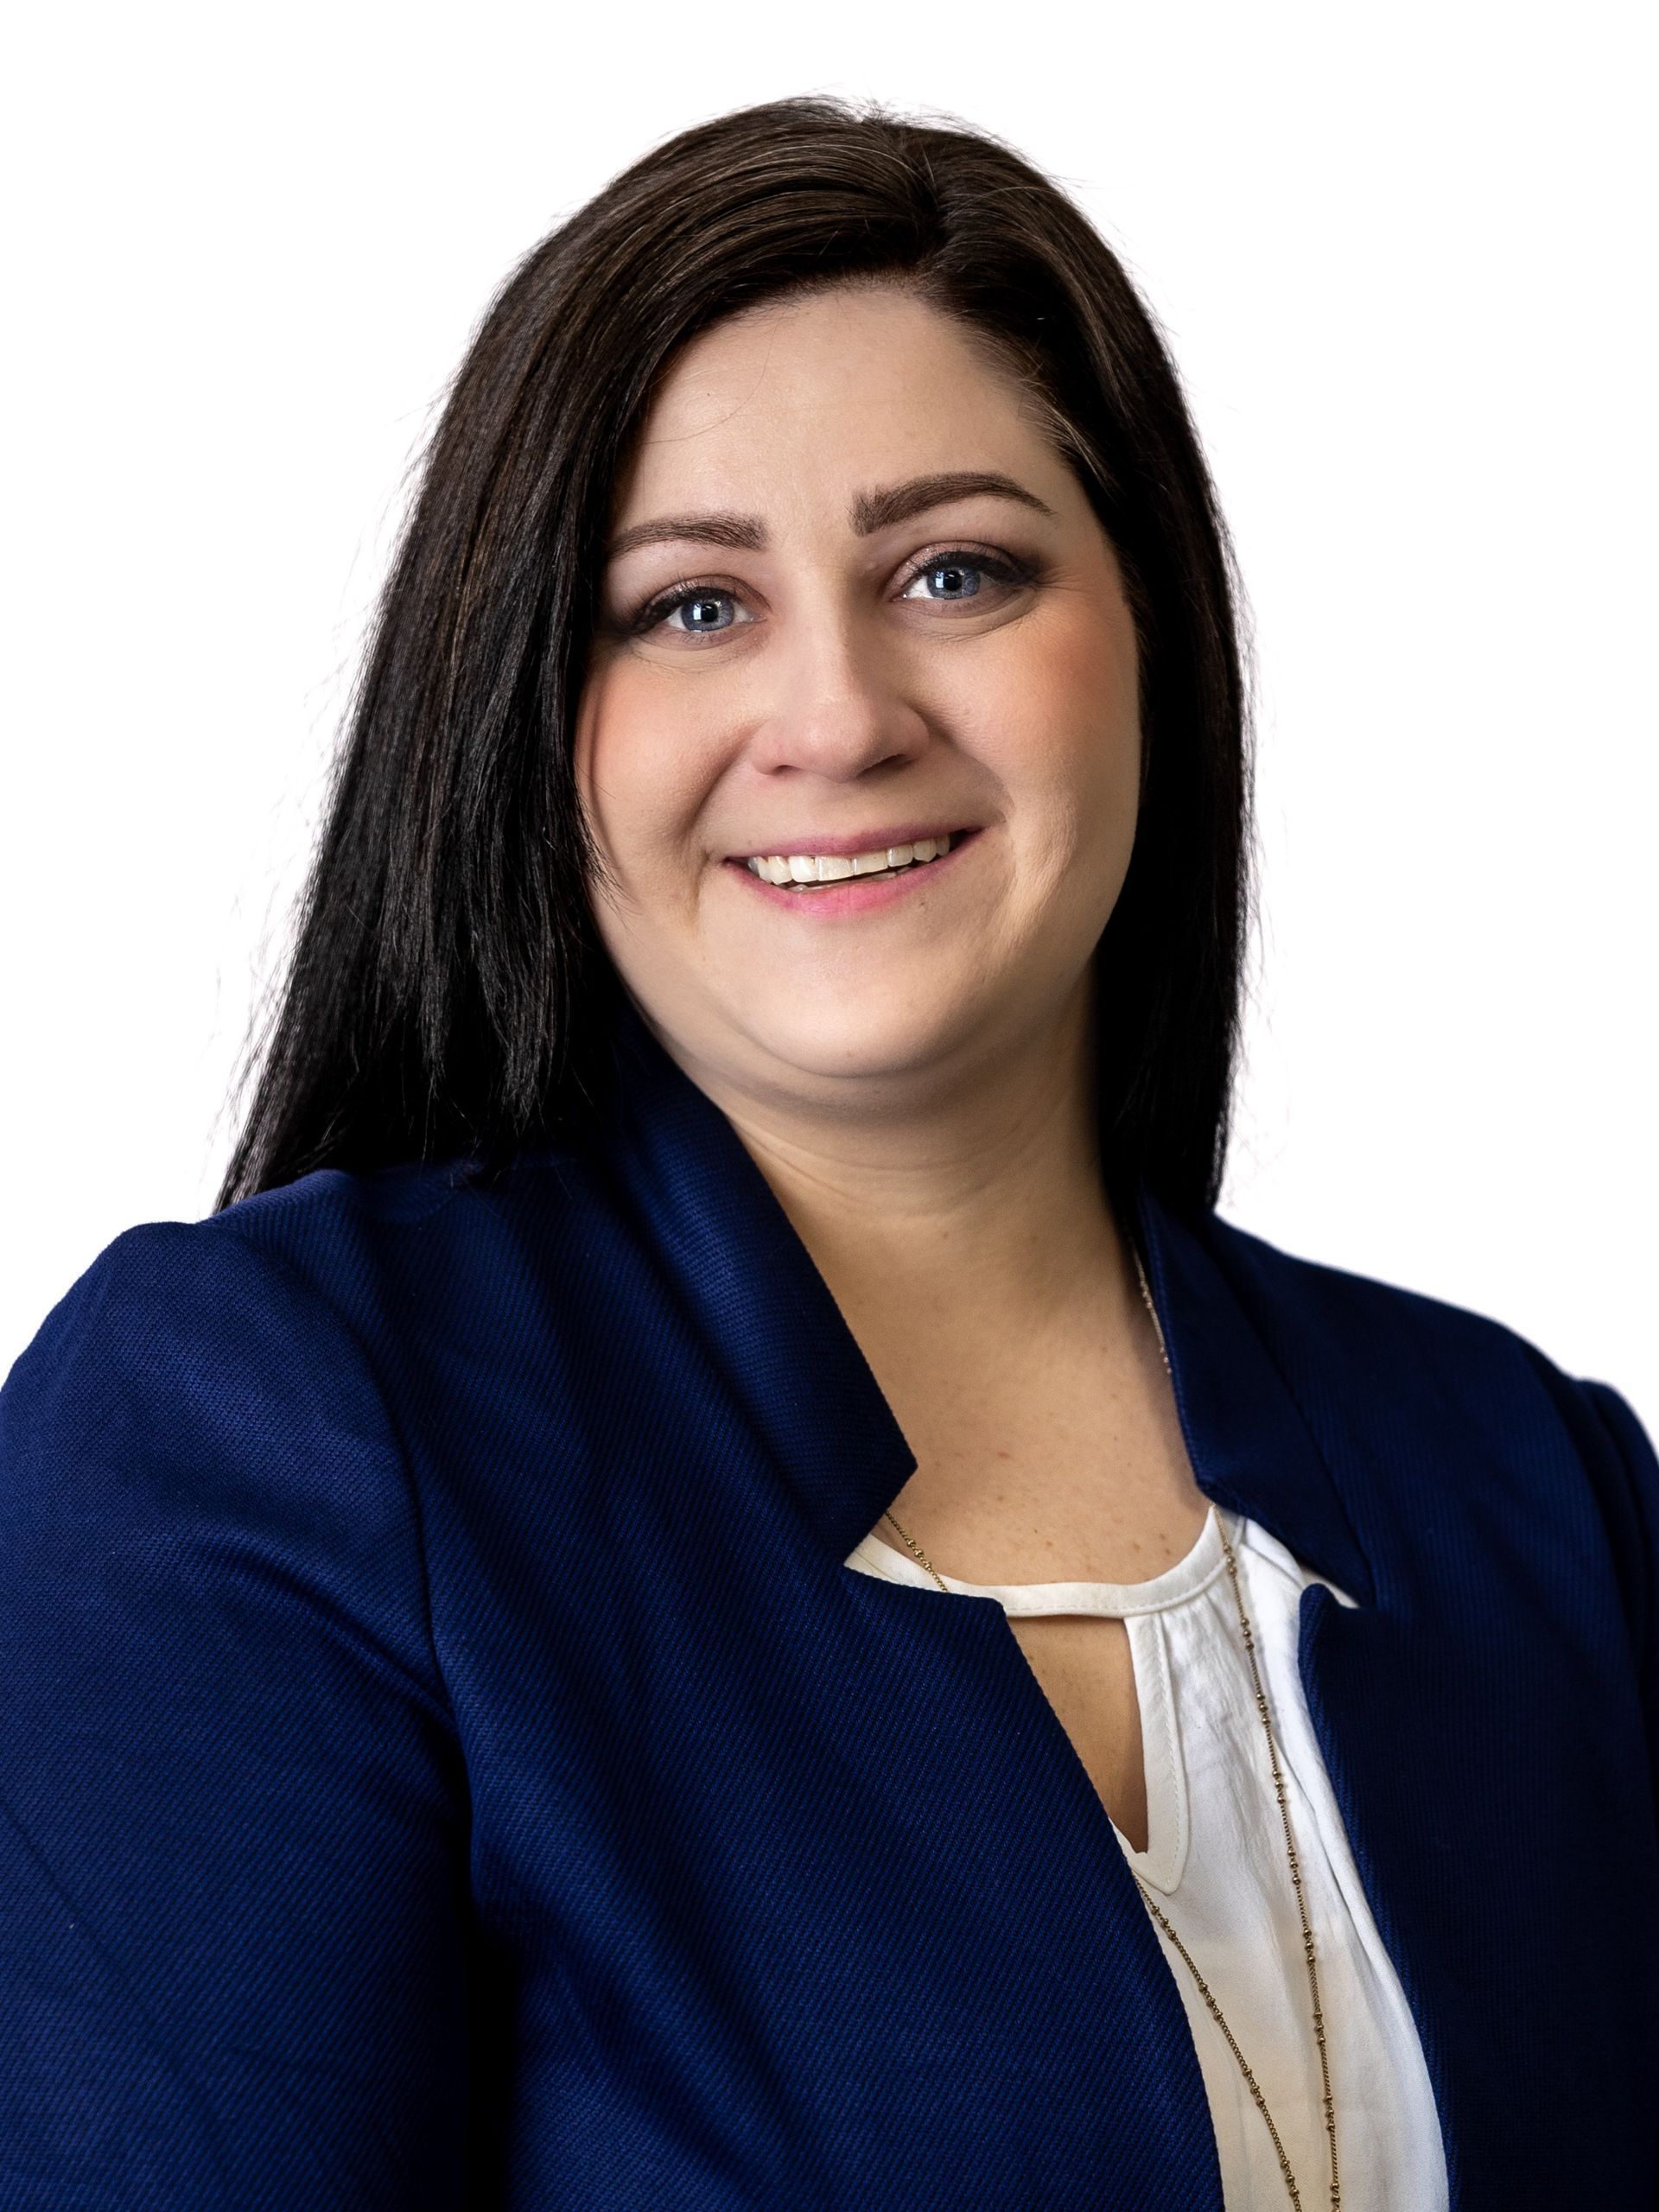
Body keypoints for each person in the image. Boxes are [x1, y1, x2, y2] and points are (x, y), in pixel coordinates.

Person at [1, 93, 1653, 2212]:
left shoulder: (1541, 1490)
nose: (841, 709)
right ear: (528, 709)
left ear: (1143, 634)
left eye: (955, 569)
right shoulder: (279, 1425)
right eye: (690, 607)